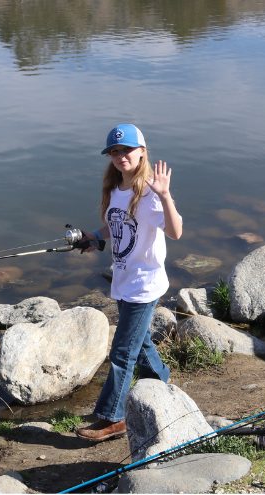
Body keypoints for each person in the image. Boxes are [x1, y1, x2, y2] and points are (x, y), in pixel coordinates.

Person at [75, 123, 183, 442]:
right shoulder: (115, 191)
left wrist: (165, 196)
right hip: (123, 282)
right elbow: (115, 227)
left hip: (144, 285)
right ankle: (161, 381)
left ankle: (114, 417)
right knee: (140, 340)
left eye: (127, 150)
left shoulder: (150, 193)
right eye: (115, 151)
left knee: (122, 352)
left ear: (142, 152)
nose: (121, 156)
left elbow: (175, 232)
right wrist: (94, 237)